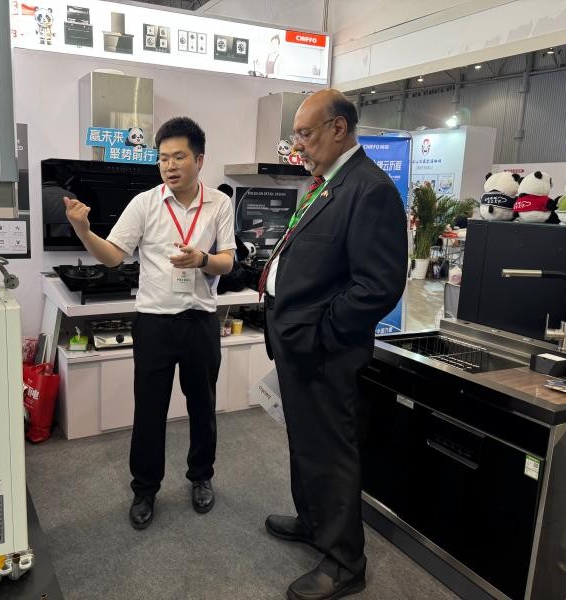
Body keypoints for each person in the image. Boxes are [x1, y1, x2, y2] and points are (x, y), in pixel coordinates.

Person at [259, 89, 408, 599]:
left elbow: (378, 286)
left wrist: (322, 332)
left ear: (338, 128)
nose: (297, 144)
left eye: (304, 133)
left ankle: (345, 562)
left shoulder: (370, 189)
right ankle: (312, 522)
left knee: (331, 451)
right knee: (305, 442)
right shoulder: (326, 184)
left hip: (325, 350)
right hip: (296, 344)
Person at [63, 117, 236, 530]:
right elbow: (113, 256)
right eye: (163, 159)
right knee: (149, 411)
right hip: (154, 323)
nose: (169, 166)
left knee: (203, 407)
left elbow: (228, 262)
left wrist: (202, 260)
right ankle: (144, 489)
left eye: (178, 157)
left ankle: (201, 476)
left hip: (200, 321)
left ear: (199, 159)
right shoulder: (144, 203)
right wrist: (84, 231)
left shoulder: (219, 204)